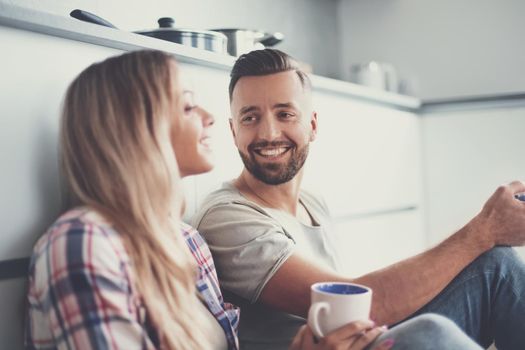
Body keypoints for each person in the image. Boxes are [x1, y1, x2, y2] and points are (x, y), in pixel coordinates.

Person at [24, 50, 399, 350]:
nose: (210, 118)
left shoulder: (186, 243)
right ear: (137, 128)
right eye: (188, 106)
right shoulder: (84, 244)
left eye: (285, 113)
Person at [191, 48, 525, 350]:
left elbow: (355, 313)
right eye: (251, 118)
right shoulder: (227, 216)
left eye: (285, 114)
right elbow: (360, 303)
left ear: (313, 124)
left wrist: (488, 236)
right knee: (430, 333)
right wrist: (483, 230)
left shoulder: (312, 201)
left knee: (499, 266)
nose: (268, 134)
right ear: (234, 132)